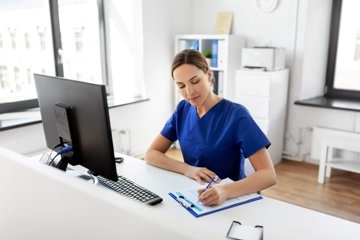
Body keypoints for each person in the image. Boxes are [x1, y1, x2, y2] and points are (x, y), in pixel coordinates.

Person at [144, 49, 276, 206]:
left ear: (208, 74)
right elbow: (151, 154)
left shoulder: (236, 115)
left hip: (234, 197)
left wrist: (225, 191)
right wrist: (188, 169)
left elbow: (268, 175)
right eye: (181, 85)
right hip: (197, 195)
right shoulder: (182, 110)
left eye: (195, 81)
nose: (189, 92)